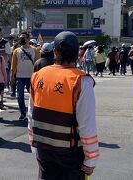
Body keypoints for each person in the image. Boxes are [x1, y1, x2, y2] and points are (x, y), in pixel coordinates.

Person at [28, 31, 99, 180]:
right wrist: (91, 158)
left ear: (55, 52)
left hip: (43, 147)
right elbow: (87, 124)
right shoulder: (81, 81)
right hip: (70, 153)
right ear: (77, 53)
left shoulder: (38, 76)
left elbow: (31, 114)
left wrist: (33, 144)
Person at [10, 31, 40, 120]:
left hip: (32, 77)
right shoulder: (16, 51)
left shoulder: (35, 50)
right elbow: (13, 65)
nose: (22, 39)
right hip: (20, 77)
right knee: (20, 96)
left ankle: (34, 112)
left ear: (28, 39)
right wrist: (12, 77)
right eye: (21, 38)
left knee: (34, 96)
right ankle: (23, 113)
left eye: (24, 38)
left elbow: (38, 64)